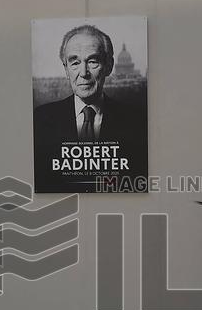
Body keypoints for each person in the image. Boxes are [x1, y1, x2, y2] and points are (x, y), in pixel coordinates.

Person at [33, 25, 147, 191]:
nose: (83, 73)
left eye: (93, 62)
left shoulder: (137, 122)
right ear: (66, 69)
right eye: (75, 63)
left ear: (109, 66)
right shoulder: (40, 120)